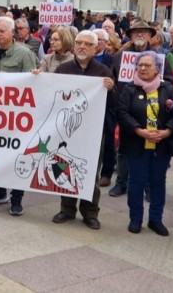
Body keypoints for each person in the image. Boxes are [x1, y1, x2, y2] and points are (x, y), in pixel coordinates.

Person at [50, 30, 116, 229]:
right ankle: (67, 209)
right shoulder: (63, 69)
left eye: (88, 44)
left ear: (96, 49)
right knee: (64, 168)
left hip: (93, 132)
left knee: (90, 173)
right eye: (79, 43)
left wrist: (111, 89)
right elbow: (49, 93)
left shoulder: (103, 71)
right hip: (67, 131)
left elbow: (114, 104)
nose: (82, 47)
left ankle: (90, 212)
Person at [117, 51, 173, 236]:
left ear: (157, 69)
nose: (143, 68)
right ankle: (135, 219)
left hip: (161, 146)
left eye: (148, 65)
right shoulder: (129, 89)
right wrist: (139, 130)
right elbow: (122, 113)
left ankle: (156, 219)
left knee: (157, 183)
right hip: (136, 145)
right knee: (136, 183)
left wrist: (167, 131)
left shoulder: (167, 88)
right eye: (140, 65)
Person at [108, 19, 173, 198]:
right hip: (127, 110)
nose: (139, 35)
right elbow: (112, 81)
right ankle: (121, 182)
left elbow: (169, 81)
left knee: (150, 149)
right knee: (123, 148)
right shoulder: (120, 57)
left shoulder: (159, 58)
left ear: (150, 36)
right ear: (129, 36)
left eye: (143, 32)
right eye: (135, 32)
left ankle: (147, 185)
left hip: (152, 110)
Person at [0, 16, 38, 215]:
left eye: (2, 31)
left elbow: (34, 86)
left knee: (18, 156)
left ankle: (17, 198)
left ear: (12, 32)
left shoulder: (25, 54)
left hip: (17, 117)